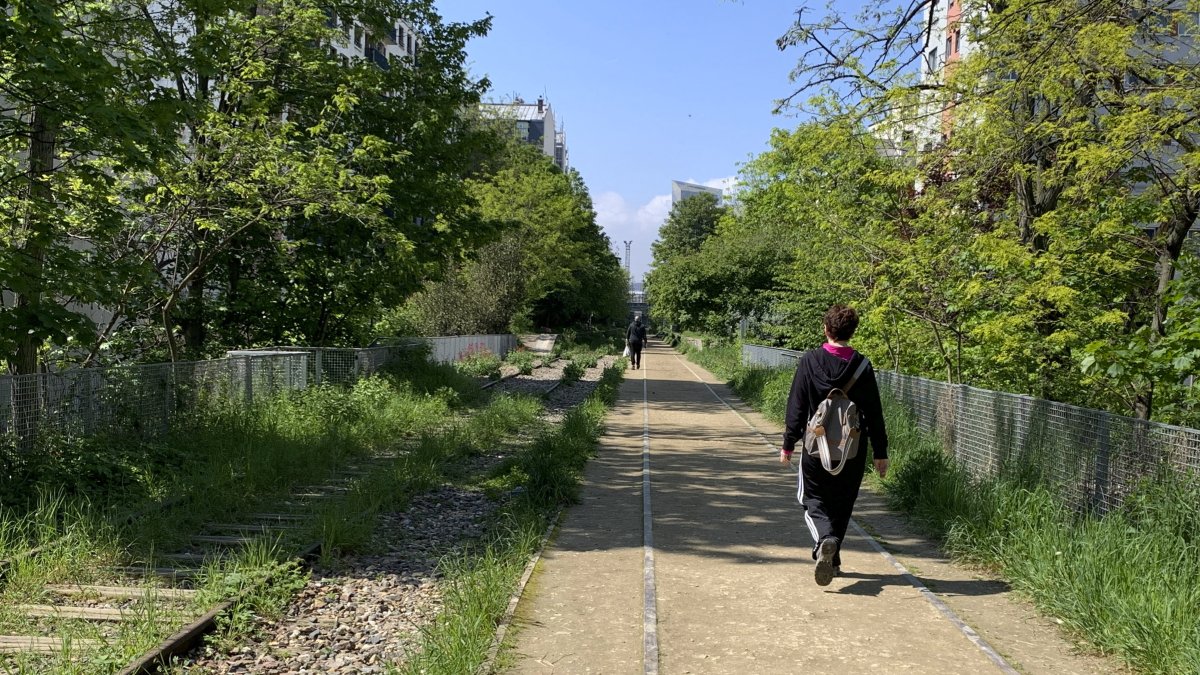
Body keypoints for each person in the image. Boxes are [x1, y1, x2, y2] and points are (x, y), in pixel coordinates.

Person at [779, 304, 888, 586]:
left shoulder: (810, 361)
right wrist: (880, 451)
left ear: (826, 329)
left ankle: (824, 541)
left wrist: (789, 442)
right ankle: (834, 560)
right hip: (852, 448)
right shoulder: (862, 365)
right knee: (842, 503)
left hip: (816, 446)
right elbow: (874, 411)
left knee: (811, 499)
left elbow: (797, 404)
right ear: (852, 332)